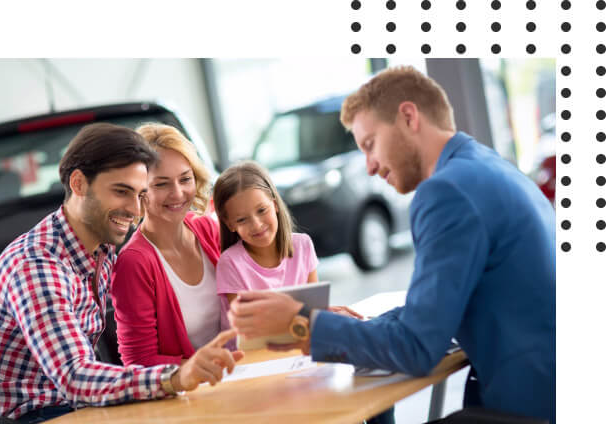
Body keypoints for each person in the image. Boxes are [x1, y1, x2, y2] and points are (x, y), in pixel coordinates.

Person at [227, 66, 556, 423]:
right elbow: (435, 310)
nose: (369, 166)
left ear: (408, 117)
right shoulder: (488, 167)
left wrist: (301, 321)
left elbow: (416, 348)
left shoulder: (447, 192)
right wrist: (361, 326)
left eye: (370, 144)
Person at [0, 123, 240, 422]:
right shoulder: (37, 266)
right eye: (121, 191)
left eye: (140, 194)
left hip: (76, 409)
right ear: (78, 184)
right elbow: (75, 376)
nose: (135, 210)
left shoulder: (101, 247)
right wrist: (174, 377)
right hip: (30, 416)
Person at [111, 123, 239, 365]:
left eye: (185, 179)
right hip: (189, 392)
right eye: (161, 184)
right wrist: (198, 368)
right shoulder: (134, 263)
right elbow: (139, 361)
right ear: (138, 191)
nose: (178, 193)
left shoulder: (208, 229)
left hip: (239, 373)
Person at [213, 161, 318, 304]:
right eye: (242, 219)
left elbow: (315, 307)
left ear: (275, 205)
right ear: (230, 224)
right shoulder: (230, 263)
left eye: (262, 210)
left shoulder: (303, 245)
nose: (256, 225)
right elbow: (246, 325)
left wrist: (326, 314)